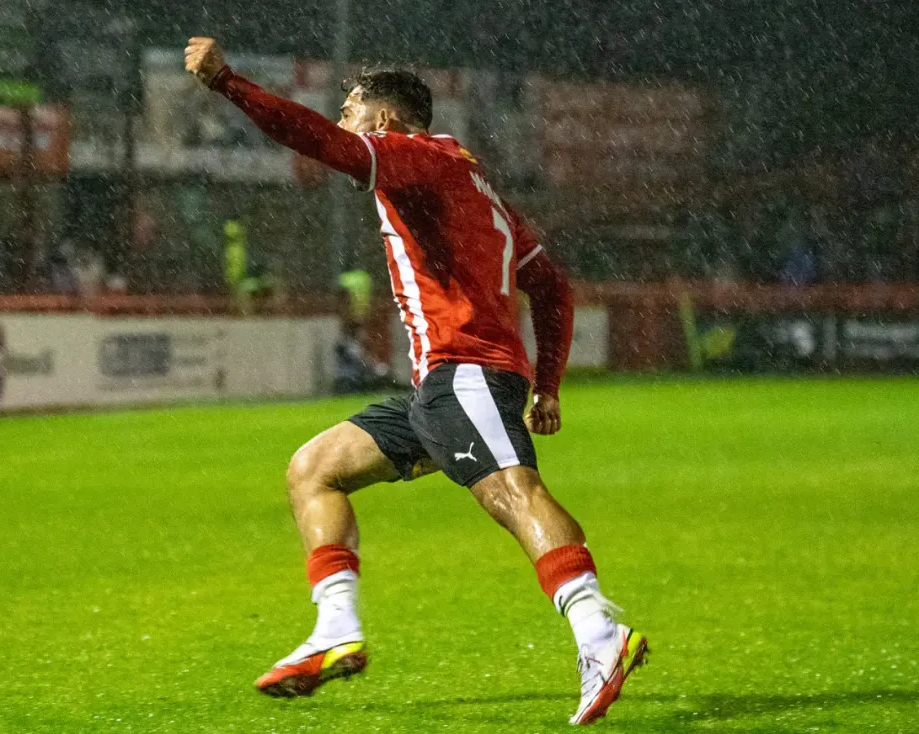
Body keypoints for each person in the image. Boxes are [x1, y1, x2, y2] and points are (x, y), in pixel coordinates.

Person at [185, 38, 647, 726]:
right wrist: (547, 383)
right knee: (315, 469)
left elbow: (320, 144)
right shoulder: (470, 179)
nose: (343, 122)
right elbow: (549, 283)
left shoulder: (416, 159)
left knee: (516, 496)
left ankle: (599, 633)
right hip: (445, 384)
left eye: (352, 109)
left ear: (388, 122)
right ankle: (336, 628)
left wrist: (229, 83)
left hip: (466, 373)